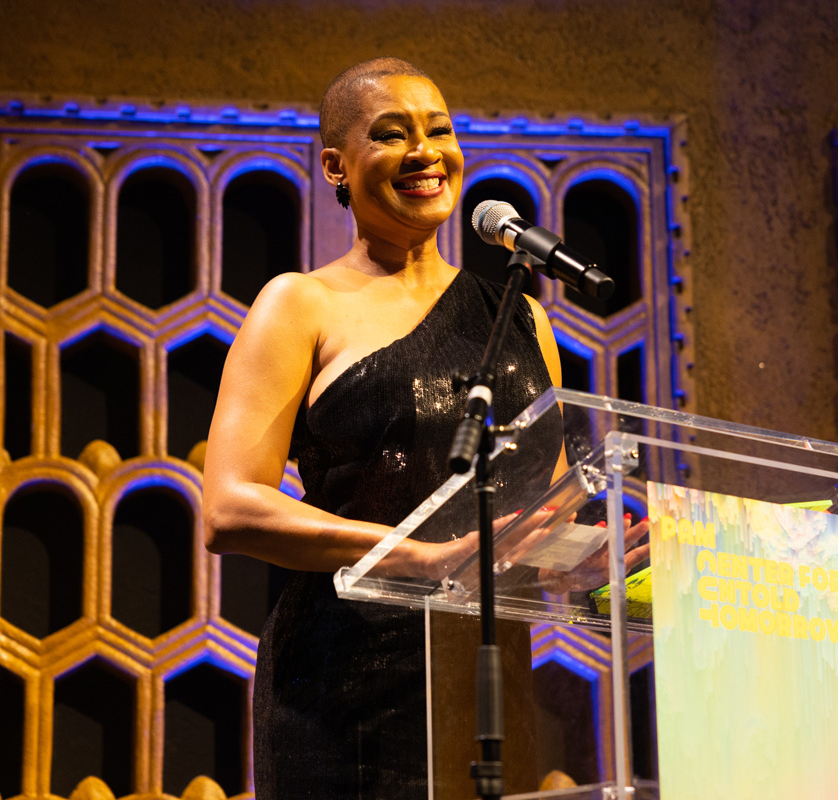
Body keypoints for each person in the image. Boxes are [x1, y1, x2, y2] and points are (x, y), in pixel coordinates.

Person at [201, 57, 567, 798]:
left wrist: (602, 554)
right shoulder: (301, 304)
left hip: (486, 681)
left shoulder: (519, 316)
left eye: (440, 130)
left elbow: (546, 507)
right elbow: (230, 507)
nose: (426, 153)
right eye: (393, 134)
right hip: (343, 685)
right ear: (336, 164)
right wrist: (421, 560)